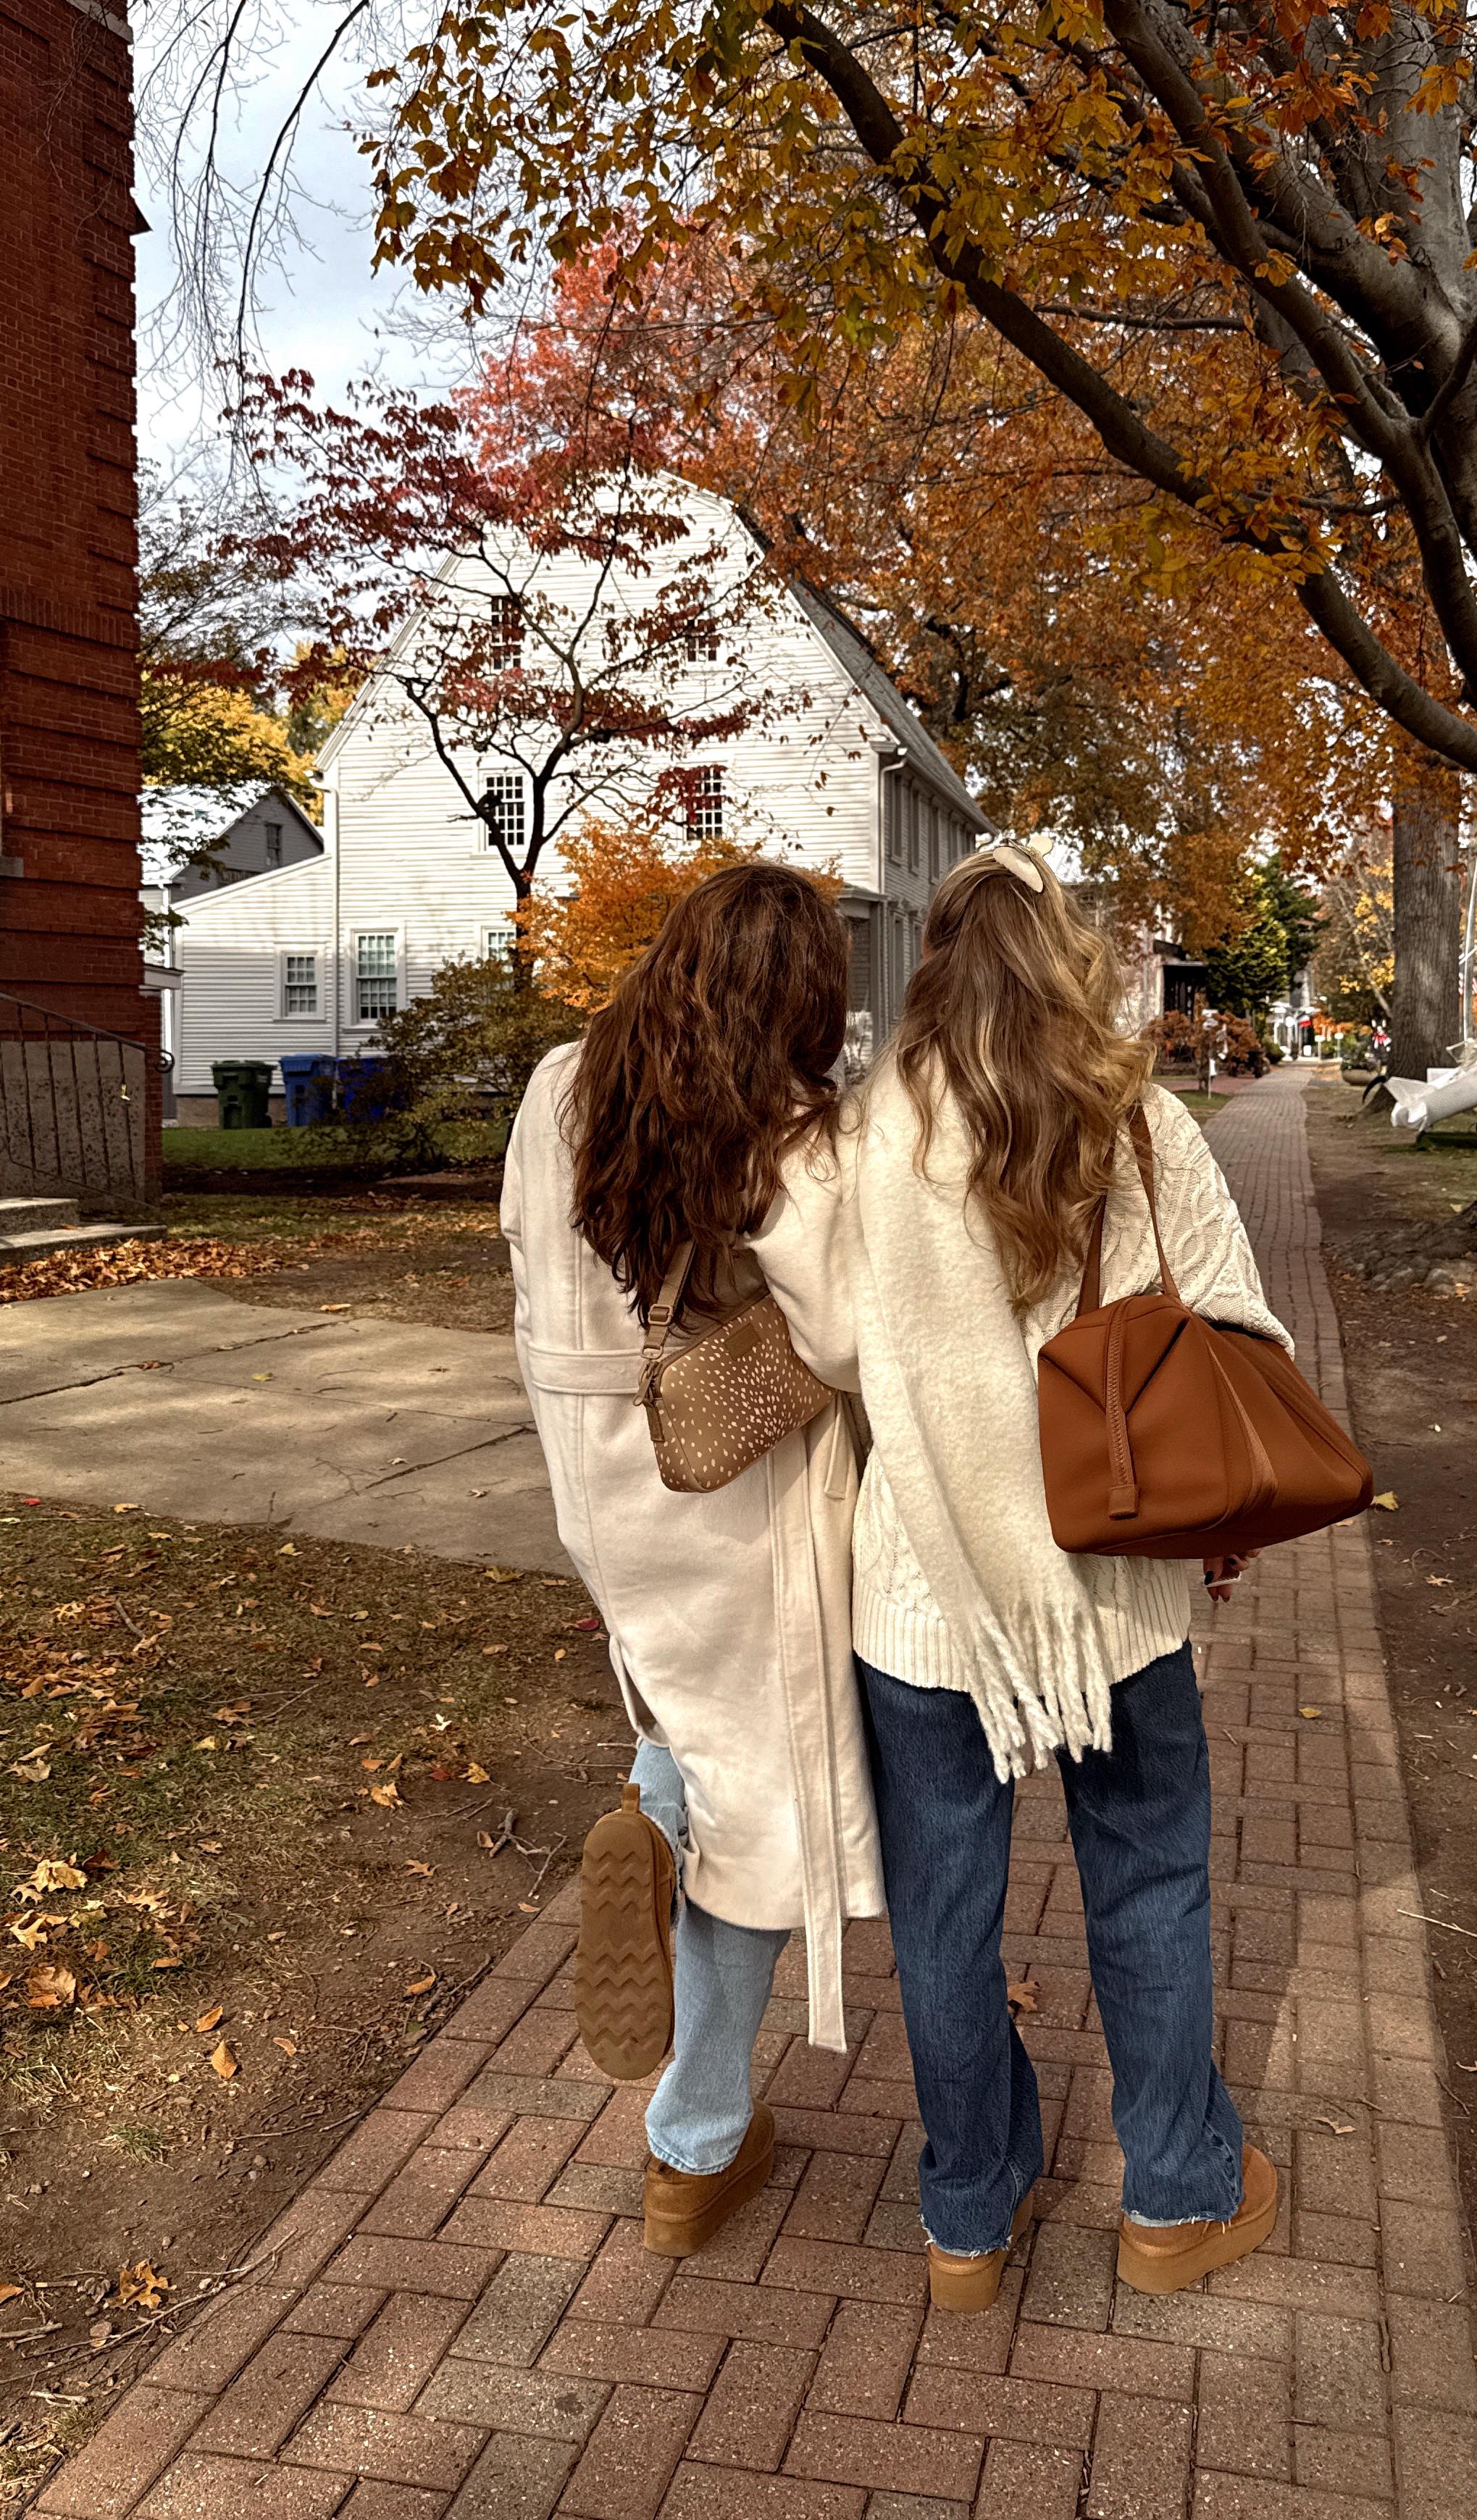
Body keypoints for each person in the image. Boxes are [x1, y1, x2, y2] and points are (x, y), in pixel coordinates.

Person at [839, 843, 1289, 2311]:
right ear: (1067, 957)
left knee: (944, 1918)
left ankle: (968, 2217)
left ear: (934, 965)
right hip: (1111, 1588)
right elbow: (1239, 1334)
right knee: (1149, 1880)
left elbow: (846, 1358)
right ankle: (1174, 2198)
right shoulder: (1143, 1125)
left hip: (930, 1597)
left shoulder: (873, 1140)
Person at [500, 863, 883, 2257]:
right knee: (768, 1807)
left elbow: (524, 1261)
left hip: (598, 1498)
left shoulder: (557, 1084)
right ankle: (695, 2141)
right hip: (726, 1501)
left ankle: (650, 1820)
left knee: (674, 1714)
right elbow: (839, 1339)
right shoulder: (778, 1128)